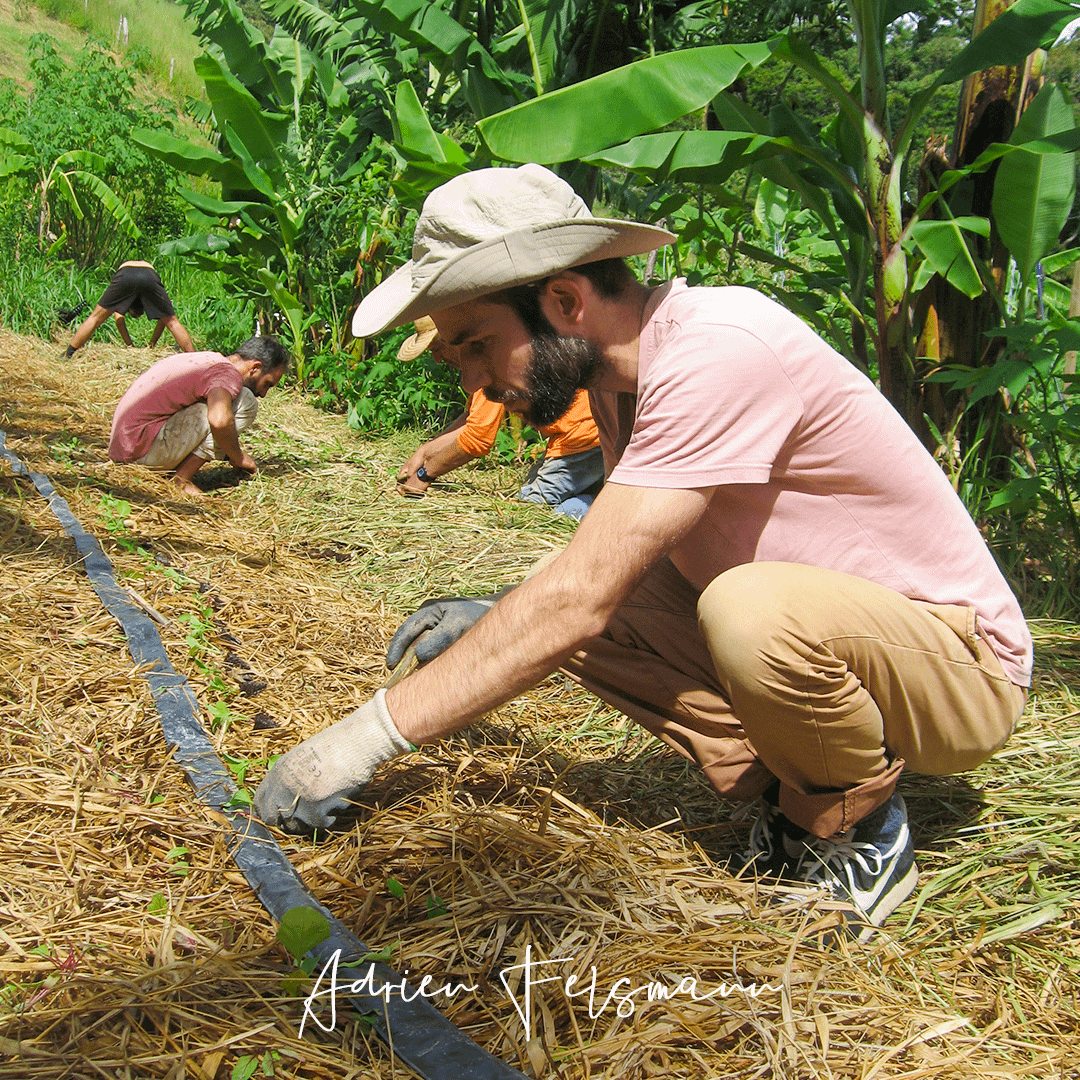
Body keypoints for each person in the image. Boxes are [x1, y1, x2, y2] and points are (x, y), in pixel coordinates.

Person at [255, 164, 1031, 939]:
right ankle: (788, 786)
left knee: (727, 610)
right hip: (844, 648)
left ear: (563, 300)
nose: (476, 380)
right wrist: (500, 618)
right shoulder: (618, 383)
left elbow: (582, 597)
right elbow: (602, 579)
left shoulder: (718, 348)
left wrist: (357, 743)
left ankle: (854, 828)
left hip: (961, 667)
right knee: (554, 592)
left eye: (477, 344)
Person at [395, 316, 605, 518]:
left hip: (583, 437)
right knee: (527, 499)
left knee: (530, 514)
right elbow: (471, 420)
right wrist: (424, 453)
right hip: (586, 433)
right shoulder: (491, 345)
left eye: (437, 349)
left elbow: (477, 438)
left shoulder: (488, 361)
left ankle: (604, 510)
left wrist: (425, 475)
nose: (437, 359)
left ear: (452, 339)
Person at [108, 336, 289, 496]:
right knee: (245, 401)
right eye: (267, 384)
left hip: (124, 448)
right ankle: (181, 480)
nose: (264, 393)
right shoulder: (227, 374)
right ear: (255, 367)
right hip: (139, 452)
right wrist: (238, 457)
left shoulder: (208, 359)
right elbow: (219, 421)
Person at [66, 261, 195, 356]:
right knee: (172, 322)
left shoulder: (123, 299)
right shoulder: (145, 297)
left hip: (125, 274)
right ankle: (194, 356)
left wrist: (135, 346)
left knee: (95, 318)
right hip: (148, 274)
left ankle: (68, 354)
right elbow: (164, 320)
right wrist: (149, 345)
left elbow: (119, 319)